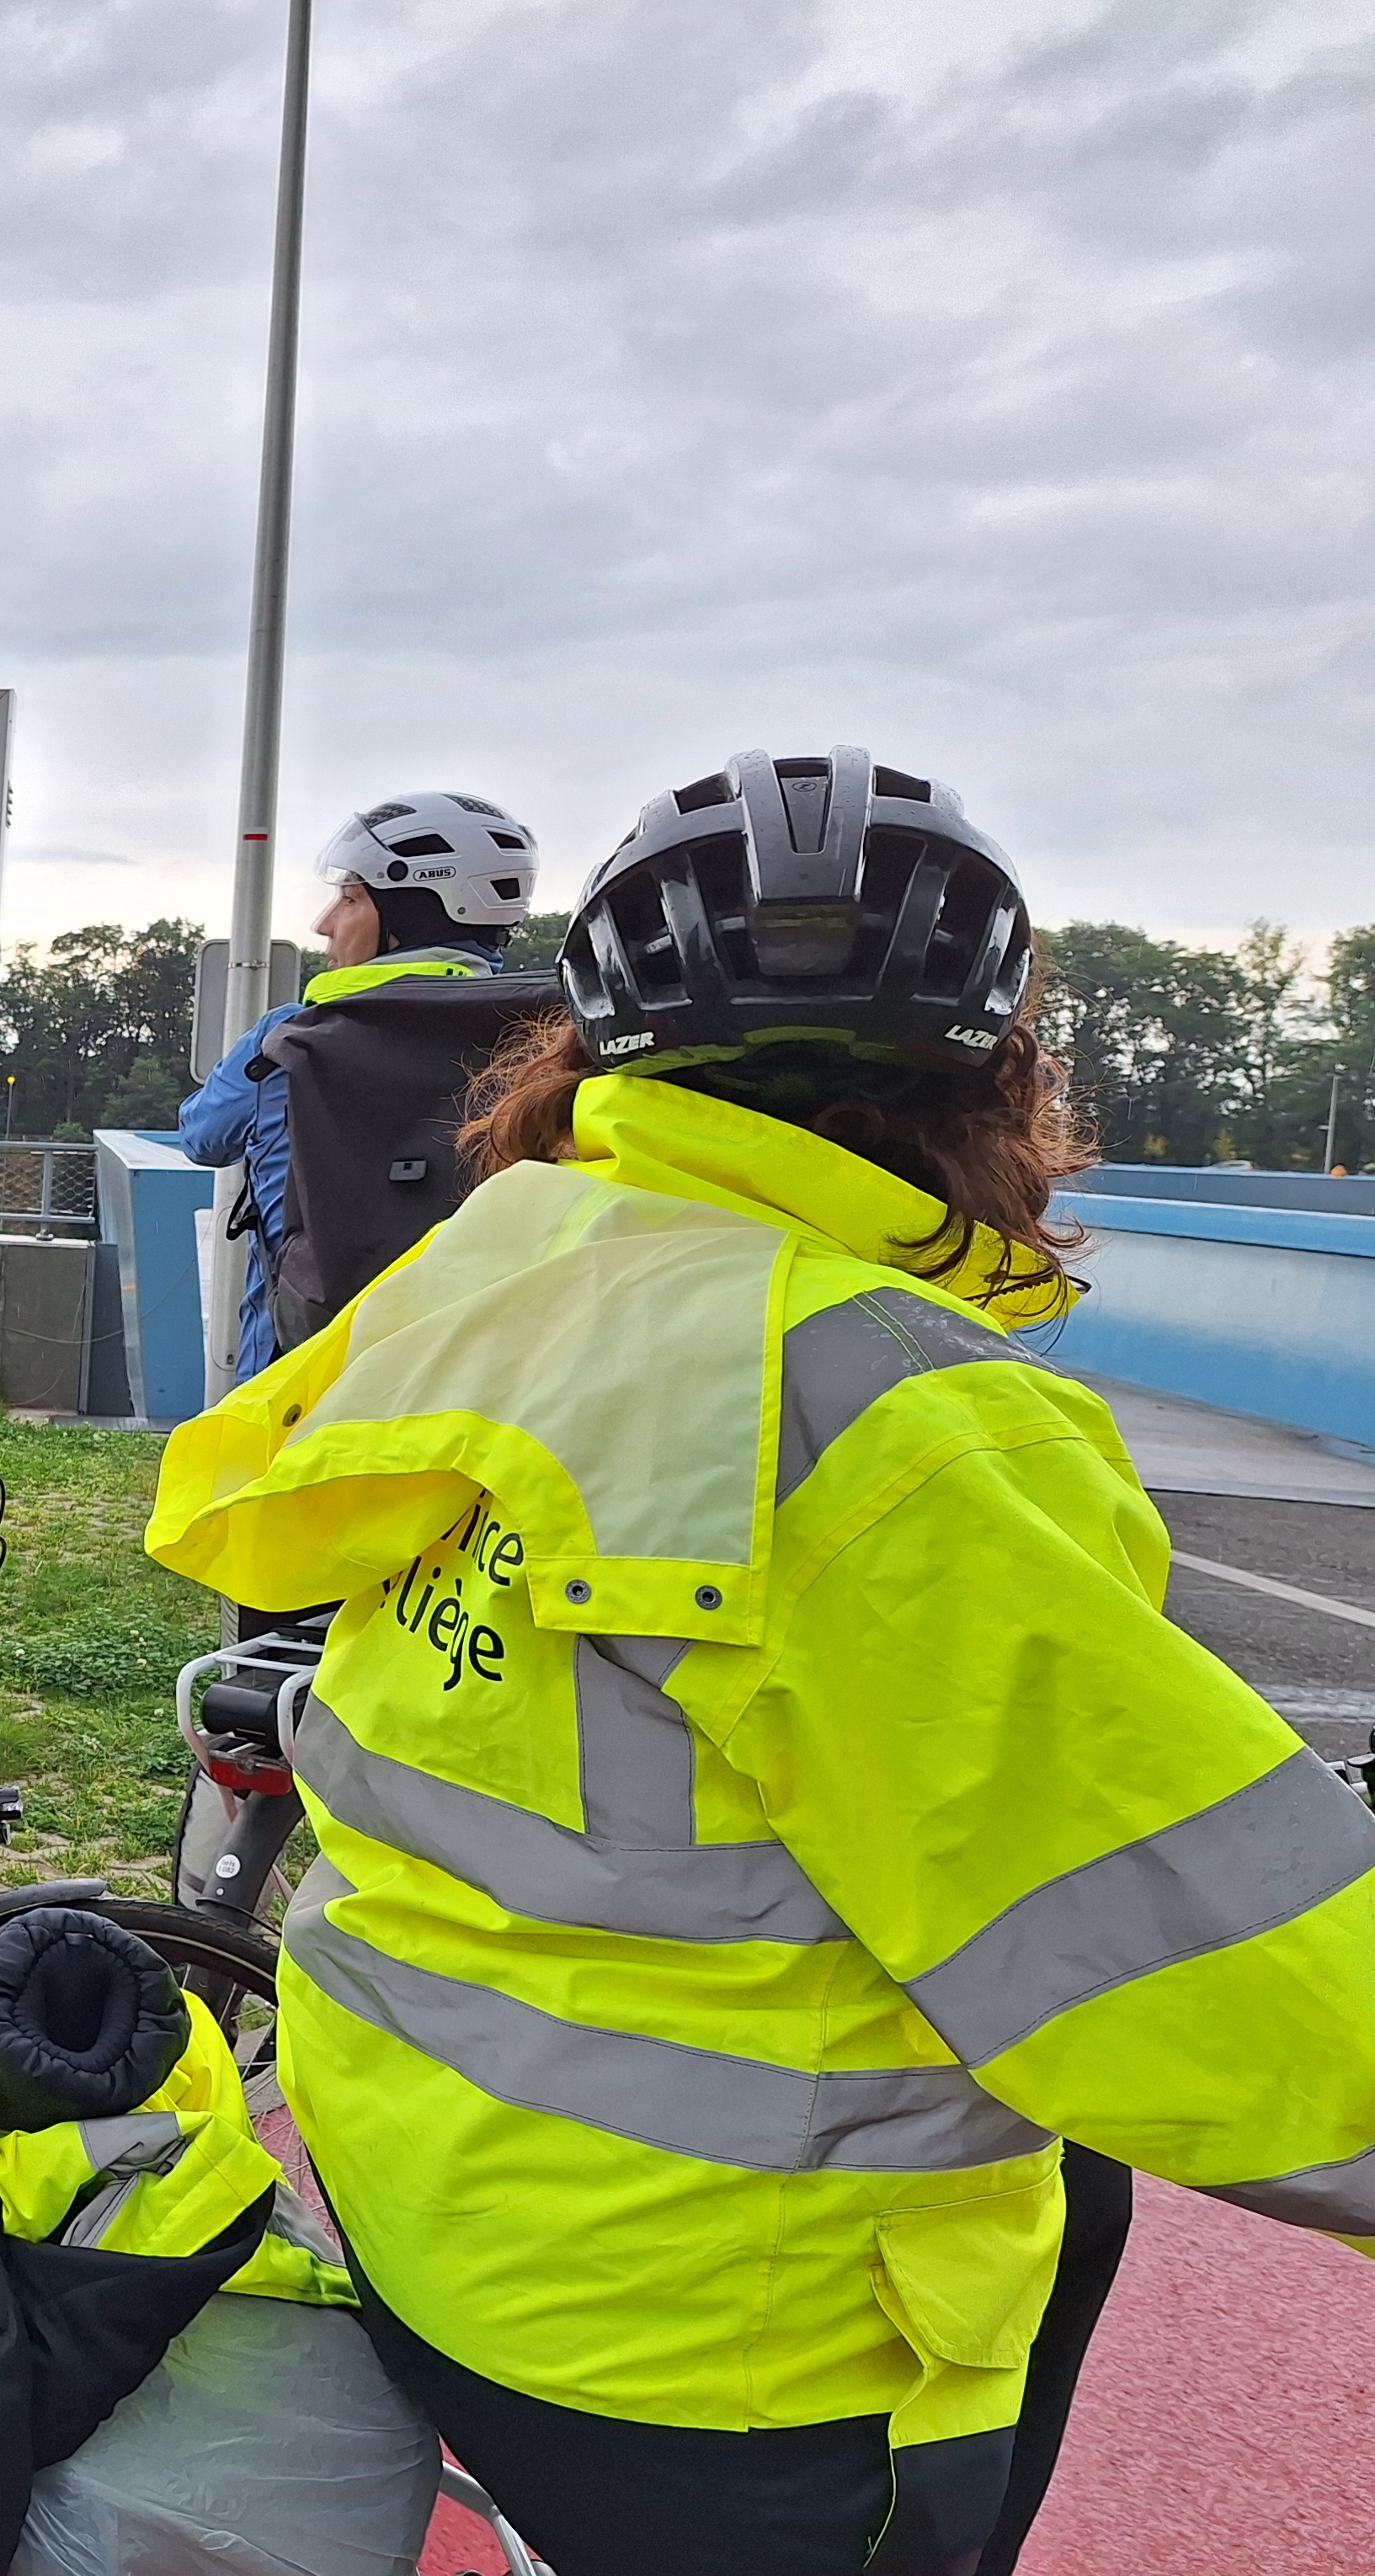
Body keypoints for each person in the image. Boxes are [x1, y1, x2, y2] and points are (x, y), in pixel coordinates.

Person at [147, 748, 1375, 2574]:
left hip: (429, 2202)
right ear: (1001, 1079)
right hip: (719, 2347)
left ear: (588, 1055)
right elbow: (1199, 1970)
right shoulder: (901, 1421)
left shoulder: (519, 1265)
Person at [179, 791, 540, 1381]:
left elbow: (202, 1136)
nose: (325, 922)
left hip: (300, 1369)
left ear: (407, 916)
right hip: (476, 1372)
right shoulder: (546, 1041)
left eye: (349, 898)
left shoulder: (293, 1038)